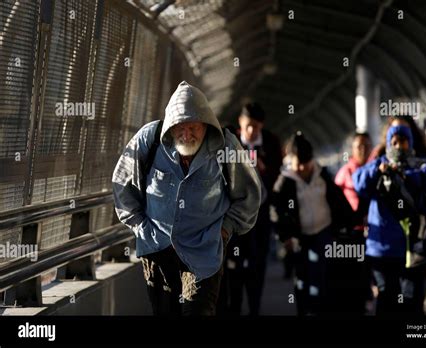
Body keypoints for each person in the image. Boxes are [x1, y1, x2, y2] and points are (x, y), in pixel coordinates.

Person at [112, 81, 261, 316]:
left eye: (194, 128)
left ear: (206, 125)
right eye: (180, 127)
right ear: (171, 126)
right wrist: (140, 226)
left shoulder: (225, 146)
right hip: (157, 249)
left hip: (204, 251)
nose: (186, 134)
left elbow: (250, 195)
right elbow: (122, 186)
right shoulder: (148, 140)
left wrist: (225, 229)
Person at [353, 124, 426, 315]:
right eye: (393, 142)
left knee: (411, 302)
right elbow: (358, 181)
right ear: (387, 144)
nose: (398, 146)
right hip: (382, 250)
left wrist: (406, 176)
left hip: (413, 249)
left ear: (410, 142)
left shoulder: (419, 164)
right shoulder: (378, 164)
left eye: (402, 141)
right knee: (386, 301)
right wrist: (380, 170)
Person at [271, 132, 354, 315]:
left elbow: (338, 201)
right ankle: (304, 310)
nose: (302, 168)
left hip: (323, 232)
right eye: (297, 164)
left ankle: (319, 311)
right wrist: (284, 236)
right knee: (302, 280)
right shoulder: (285, 182)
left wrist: (349, 223)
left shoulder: (322, 174)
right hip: (299, 238)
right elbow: (276, 211)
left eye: (306, 163)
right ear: (290, 161)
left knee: (320, 276)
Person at [219, 102, 282, 315]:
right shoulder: (230, 142)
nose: (251, 131)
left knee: (258, 262)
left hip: (261, 214)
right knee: (234, 262)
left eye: (255, 126)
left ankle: (255, 306)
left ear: (261, 125)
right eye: (247, 126)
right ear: (240, 123)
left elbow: (279, 178)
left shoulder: (272, 143)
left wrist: (264, 169)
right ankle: (234, 306)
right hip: (236, 214)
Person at [334, 132, 372, 314]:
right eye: (359, 146)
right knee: (356, 280)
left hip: (373, 235)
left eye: (366, 146)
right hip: (352, 236)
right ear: (352, 149)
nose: (363, 150)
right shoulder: (345, 173)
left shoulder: (376, 170)